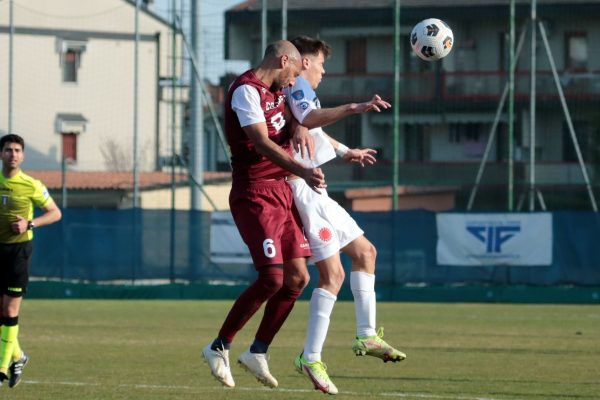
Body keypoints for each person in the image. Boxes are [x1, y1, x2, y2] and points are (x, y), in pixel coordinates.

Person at [283, 36, 406, 394]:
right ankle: (310, 356)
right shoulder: (297, 86)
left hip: (318, 190)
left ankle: (367, 337)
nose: (323, 70)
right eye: (320, 63)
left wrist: (346, 150)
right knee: (332, 275)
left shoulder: (303, 92)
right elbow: (307, 117)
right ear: (304, 63)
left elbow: (312, 125)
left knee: (366, 253)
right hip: (302, 192)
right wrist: (356, 106)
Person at [201, 40, 326, 389]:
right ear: (283, 60)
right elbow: (260, 142)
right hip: (254, 195)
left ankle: (257, 351)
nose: (294, 81)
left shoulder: (279, 93)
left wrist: (301, 125)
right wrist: (302, 171)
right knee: (272, 278)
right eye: (294, 72)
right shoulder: (245, 91)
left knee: (298, 278)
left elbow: (302, 120)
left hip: (281, 193)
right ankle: (219, 345)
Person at [0, 134, 62, 388]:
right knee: (0, 313)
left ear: (23, 155)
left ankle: (2, 369)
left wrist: (30, 223)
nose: (13, 154)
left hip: (19, 252)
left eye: (17, 150)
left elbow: (55, 213)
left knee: (11, 311)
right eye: (8, 150)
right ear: (1, 154)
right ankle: (18, 356)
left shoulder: (32, 184)